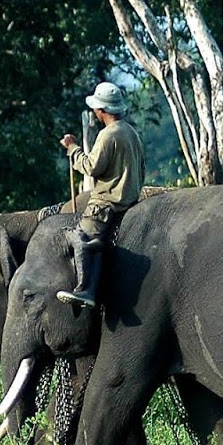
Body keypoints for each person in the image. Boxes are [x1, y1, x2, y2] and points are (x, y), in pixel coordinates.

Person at [57, 81, 145, 309]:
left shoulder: (108, 135)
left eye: (96, 108)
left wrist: (72, 148)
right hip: (130, 201)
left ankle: (86, 289)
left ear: (101, 110)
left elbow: (91, 166)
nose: (95, 112)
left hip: (106, 205)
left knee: (81, 237)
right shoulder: (131, 132)